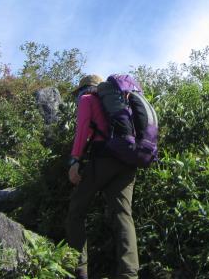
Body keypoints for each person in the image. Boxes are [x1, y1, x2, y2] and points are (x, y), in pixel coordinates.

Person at [66, 74, 138, 279]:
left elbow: (83, 130)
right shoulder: (123, 101)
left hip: (104, 158)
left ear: (85, 88)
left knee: (76, 211)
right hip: (129, 159)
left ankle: (79, 271)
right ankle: (129, 274)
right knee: (123, 215)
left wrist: (75, 160)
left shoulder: (87, 99)